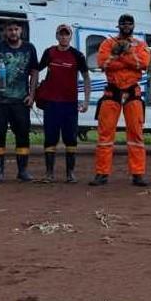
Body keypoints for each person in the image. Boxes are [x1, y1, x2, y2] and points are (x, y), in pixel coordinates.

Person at [89, 14, 151, 187]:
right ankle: (102, 173)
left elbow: (143, 64)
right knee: (105, 135)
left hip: (133, 91)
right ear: (118, 26)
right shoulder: (107, 43)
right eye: (123, 23)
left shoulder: (140, 44)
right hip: (112, 91)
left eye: (129, 23)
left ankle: (138, 174)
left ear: (133, 26)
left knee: (136, 134)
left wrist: (123, 54)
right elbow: (103, 63)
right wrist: (124, 58)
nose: (126, 26)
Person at [0, 20, 39, 183]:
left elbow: (34, 72)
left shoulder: (29, 48)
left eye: (16, 29)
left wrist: (32, 94)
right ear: (4, 32)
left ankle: (22, 170)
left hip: (21, 100)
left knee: (22, 135)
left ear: (21, 31)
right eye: (10, 29)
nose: (13, 32)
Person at [37, 24, 91, 183]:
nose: (63, 37)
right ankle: (49, 173)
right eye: (60, 34)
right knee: (50, 139)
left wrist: (86, 101)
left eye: (66, 34)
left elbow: (86, 77)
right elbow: (35, 70)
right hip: (51, 104)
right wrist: (33, 91)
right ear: (56, 36)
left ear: (70, 36)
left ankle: (70, 173)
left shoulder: (77, 55)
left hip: (70, 104)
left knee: (70, 139)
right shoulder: (49, 53)